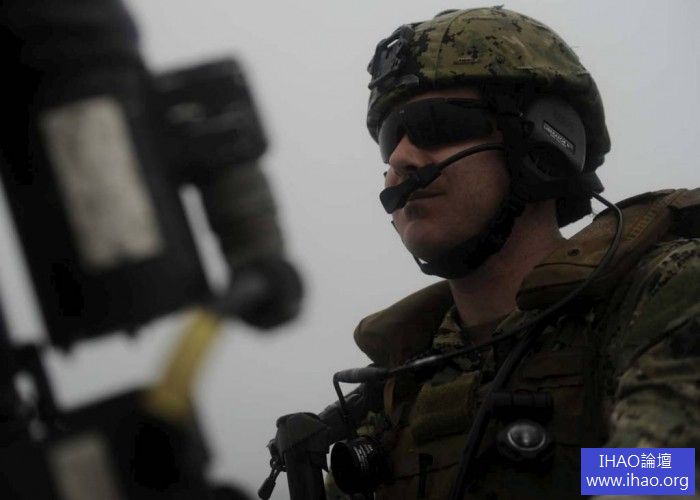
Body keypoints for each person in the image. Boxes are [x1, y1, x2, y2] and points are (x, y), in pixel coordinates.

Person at [326, 7, 700, 499]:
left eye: (437, 125)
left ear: (544, 142)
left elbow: (671, 472)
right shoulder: (399, 389)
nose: (401, 159)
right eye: (390, 139)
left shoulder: (660, 295)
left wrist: (573, 473)